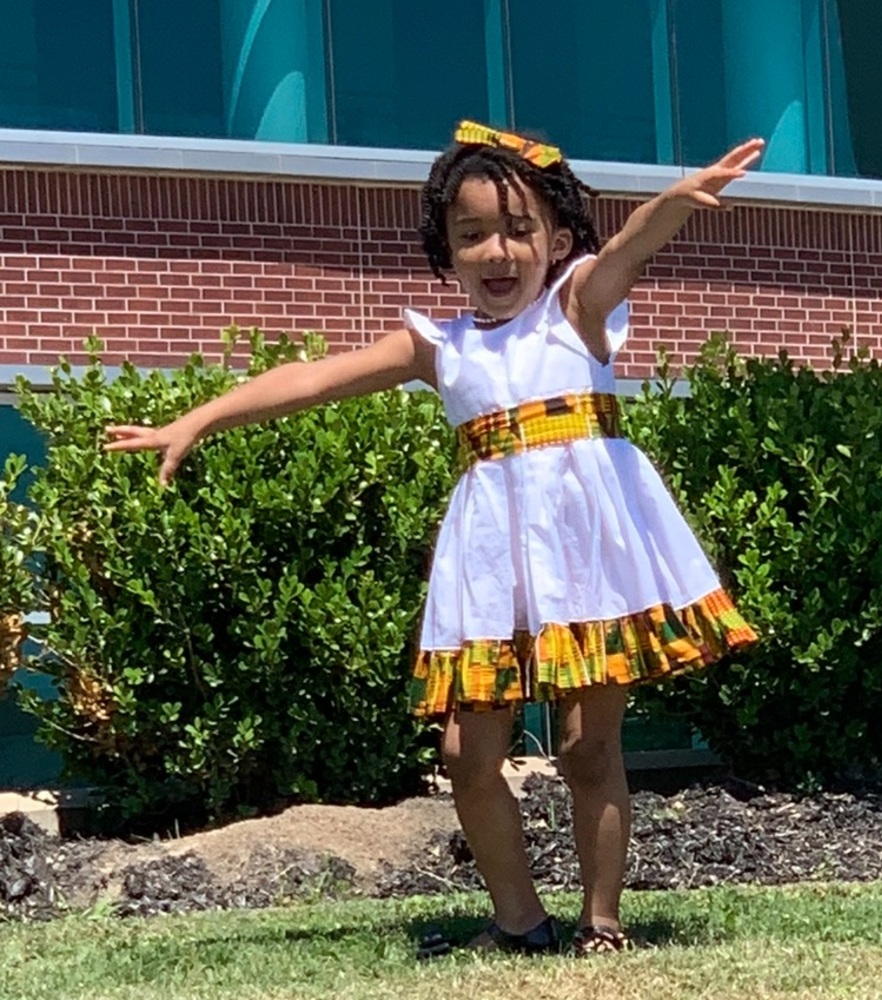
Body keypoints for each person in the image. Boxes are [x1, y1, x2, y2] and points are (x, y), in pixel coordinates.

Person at [105, 120, 762, 957]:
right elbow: (311, 378)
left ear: (558, 241)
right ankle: (520, 921)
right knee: (465, 752)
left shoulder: (576, 312)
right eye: (472, 233)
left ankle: (602, 923)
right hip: (490, 564)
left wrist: (670, 206)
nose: (496, 250)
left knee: (589, 749)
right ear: (446, 252)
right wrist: (197, 419)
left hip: (591, 560)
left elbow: (630, 249)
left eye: (519, 230)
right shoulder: (439, 347)